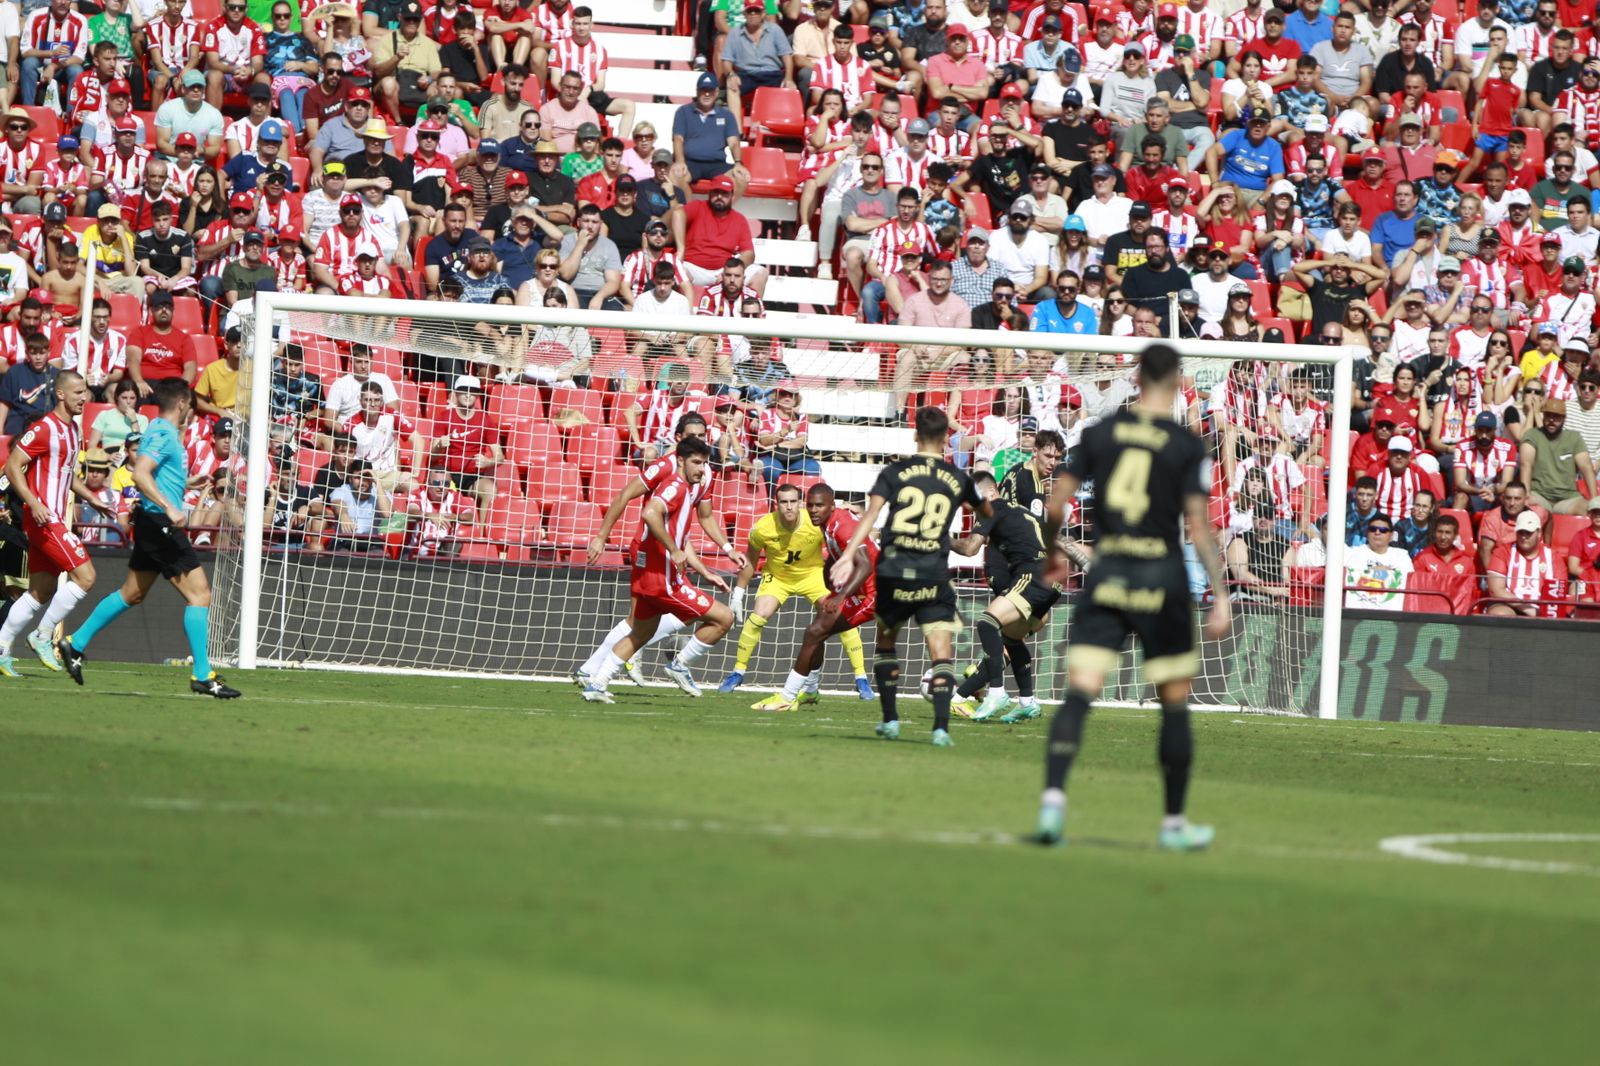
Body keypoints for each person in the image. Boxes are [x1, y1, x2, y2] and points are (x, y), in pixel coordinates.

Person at [1033, 342, 1229, 849]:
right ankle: (1173, 825)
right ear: (1179, 380)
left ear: (1137, 376)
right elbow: (1200, 527)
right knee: (1174, 706)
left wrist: (1054, 548)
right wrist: (1221, 594)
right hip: (1162, 582)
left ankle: (1053, 804)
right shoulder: (1187, 445)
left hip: (1109, 572)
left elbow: (1057, 498)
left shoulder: (1101, 433)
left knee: (1080, 693)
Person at [57, 378, 240, 699]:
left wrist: (189, 482)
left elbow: (155, 474)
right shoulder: (164, 434)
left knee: (132, 594)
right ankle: (202, 674)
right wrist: (171, 508)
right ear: (183, 404)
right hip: (160, 524)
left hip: (152, 522)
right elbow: (140, 473)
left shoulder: (157, 429)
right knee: (200, 595)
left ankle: (75, 643)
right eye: (191, 406)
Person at [827, 406, 987, 746]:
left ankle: (890, 720)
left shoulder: (895, 472)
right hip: (933, 573)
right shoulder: (958, 478)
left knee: (886, 644)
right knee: (940, 651)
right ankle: (941, 728)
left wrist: (846, 556)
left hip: (894, 571)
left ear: (915, 435)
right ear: (947, 438)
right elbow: (987, 511)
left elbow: (870, 516)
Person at [576, 415, 746, 687]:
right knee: (651, 618)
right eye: (692, 435)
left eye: (702, 435)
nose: (698, 440)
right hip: (649, 549)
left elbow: (704, 517)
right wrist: (601, 536)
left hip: (674, 550)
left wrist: (726, 548)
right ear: (678, 439)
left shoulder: (704, 472)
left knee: (656, 619)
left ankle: (596, 670)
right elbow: (625, 496)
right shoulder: (665, 467)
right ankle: (603, 668)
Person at [0, 371, 116, 678]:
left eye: (86, 392)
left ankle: (1, 649)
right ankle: (42, 635)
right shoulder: (44, 428)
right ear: (62, 394)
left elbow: (66, 475)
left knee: (41, 590)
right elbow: (12, 467)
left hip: (50, 518)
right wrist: (34, 503)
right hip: (44, 519)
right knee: (87, 576)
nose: (84, 397)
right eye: (78, 392)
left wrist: (92, 498)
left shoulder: (73, 430)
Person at [717, 482, 870, 696]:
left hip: (812, 574)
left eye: (792, 502)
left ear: (800, 503)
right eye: (783, 502)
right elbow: (750, 561)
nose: (788, 507)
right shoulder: (762, 528)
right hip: (778, 577)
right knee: (758, 615)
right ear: (776, 504)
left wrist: (849, 509)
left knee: (838, 614)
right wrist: (739, 593)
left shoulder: (815, 521)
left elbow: (838, 518)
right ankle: (737, 672)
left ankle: (861, 678)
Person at [751, 483, 880, 711]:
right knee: (815, 632)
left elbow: (864, 565)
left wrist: (839, 597)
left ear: (832, 505)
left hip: (876, 593)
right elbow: (837, 553)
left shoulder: (842, 526)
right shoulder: (828, 524)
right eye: (810, 505)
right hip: (864, 589)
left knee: (815, 632)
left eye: (819, 505)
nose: (813, 510)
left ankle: (788, 697)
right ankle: (809, 691)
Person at [948, 470, 1063, 722]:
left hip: (1034, 573)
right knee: (1011, 638)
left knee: (987, 622)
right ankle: (1027, 701)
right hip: (1054, 578)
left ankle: (997, 693)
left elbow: (969, 548)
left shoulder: (991, 508)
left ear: (991, 492)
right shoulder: (1018, 510)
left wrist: (941, 540)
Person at [1521, 397, 1597, 514]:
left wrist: (1595, 501)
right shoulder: (1532, 435)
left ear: (1564, 418)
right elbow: (1526, 465)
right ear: (1543, 415)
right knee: (1526, 507)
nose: (1551, 420)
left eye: (1556, 416)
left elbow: (1586, 468)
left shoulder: (1574, 438)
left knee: (1590, 510)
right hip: (1540, 496)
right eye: (1548, 415)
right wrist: (1526, 495)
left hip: (1568, 498)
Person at [1485, 510, 1562, 617]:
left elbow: (1558, 591)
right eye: (1521, 532)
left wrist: (1542, 612)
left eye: (1529, 533)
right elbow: (1496, 590)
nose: (1524, 537)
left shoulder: (1553, 556)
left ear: (1539, 533)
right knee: (1499, 613)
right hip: (1508, 605)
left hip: (1543, 607)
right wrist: (1529, 609)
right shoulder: (1502, 552)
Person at [1343, 513, 1413, 608]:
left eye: (1383, 530)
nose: (1377, 532)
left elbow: (1409, 581)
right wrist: (1381, 571)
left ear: (1391, 535)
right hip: (1358, 611)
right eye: (1372, 529)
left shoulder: (1402, 556)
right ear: (1367, 533)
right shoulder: (1353, 553)